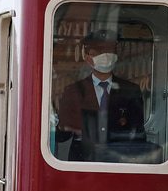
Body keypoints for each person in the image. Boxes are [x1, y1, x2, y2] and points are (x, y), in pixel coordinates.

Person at [56, 29, 147, 161]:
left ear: (116, 55)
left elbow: (139, 134)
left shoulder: (131, 90)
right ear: (87, 58)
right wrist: (63, 123)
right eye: (97, 52)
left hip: (119, 161)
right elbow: (62, 136)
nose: (105, 56)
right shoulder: (73, 91)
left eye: (109, 51)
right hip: (82, 164)